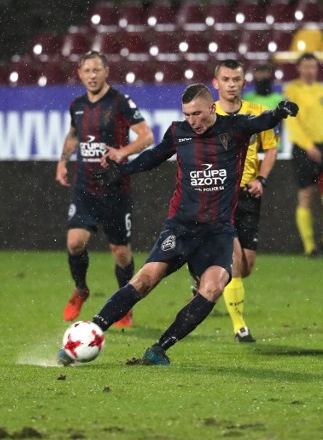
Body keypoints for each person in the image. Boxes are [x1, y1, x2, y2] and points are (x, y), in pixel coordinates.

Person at [58, 84, 298, 366]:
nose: (192, 121)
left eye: (197, 113)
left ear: (212, 108)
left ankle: (159, 349)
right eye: (187, 114)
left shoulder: (235, 128)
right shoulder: (179, 132)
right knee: (145, 279)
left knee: (213, 287)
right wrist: (123, 170)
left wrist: (279, 112)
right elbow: (154, 155)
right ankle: (93, 329)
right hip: (181, 227)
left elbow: (262, 121)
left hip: (218, 231)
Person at [55, 51, 154, 327]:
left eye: (97, 70)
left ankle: (124, 305)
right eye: (87, 70)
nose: (92, 75)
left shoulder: (121, 102)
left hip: (115, 188)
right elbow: (74, 135)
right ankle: (81, 289)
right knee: (74, 242)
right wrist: (62, 162)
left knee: (121, 254)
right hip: (85, 188)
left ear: (106, 71)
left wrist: (123, 152)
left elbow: (147, 136)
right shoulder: (76, 105)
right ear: (80, 73)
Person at [212, 60, 279, 342]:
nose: (231, 84)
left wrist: (261, 179)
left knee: (246, 266)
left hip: (248, 195)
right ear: (216, 83)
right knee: (235, 262)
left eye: (236, 79)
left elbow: (271, 149)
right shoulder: (207, 114)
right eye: (225, 79)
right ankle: (240, 327)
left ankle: (205, 272)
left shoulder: (258, 114)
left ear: (243, 82)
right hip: (219, 196)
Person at [284, 53, 323, 257]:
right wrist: (307, 145)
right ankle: (310, 247)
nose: (310, 70)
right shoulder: (292, 91)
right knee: (306, 195)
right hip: (303, 148)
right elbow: (292, 122)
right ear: (299, 69)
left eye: (313, 66)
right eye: (306, 67)